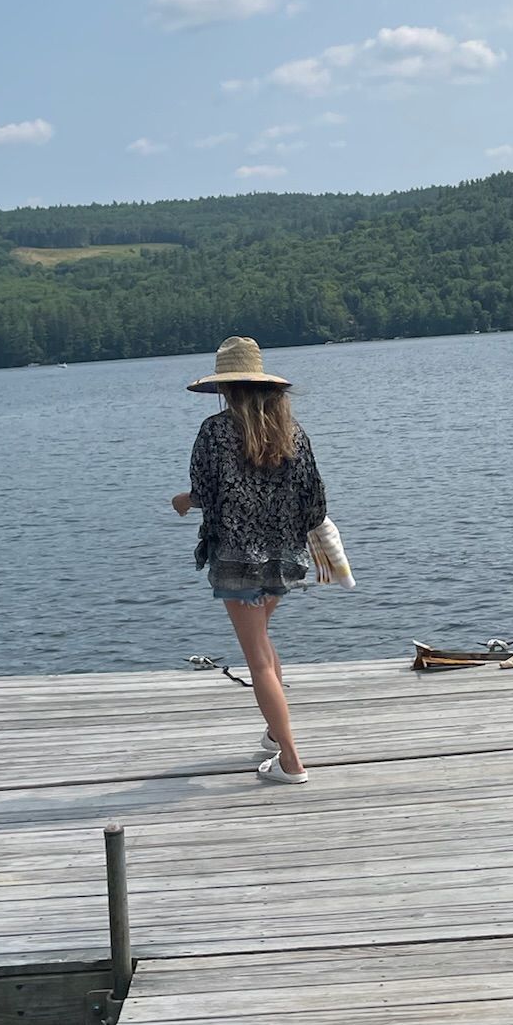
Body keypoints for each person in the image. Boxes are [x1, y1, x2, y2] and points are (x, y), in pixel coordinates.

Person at [172, 335, 327, 785]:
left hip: (236, 559)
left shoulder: (215, 432)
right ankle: (276, 737)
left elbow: (206, 492)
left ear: (226, 388)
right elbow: (315, 502)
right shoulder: (292, 433)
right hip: (283, 557)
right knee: (263, 643)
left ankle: (292, 761)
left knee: (257, 658)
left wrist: (185, 500)